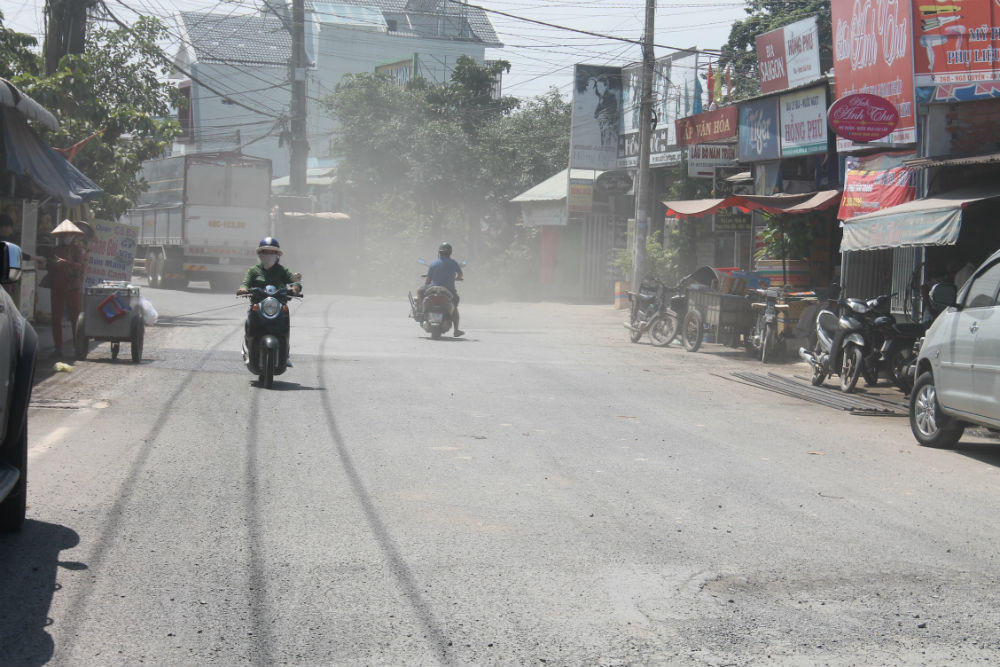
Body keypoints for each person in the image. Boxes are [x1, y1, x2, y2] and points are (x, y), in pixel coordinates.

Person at [46, 220, 88, 357]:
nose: (65, 237)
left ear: (73, 235)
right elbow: (49, 265)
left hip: (72, 287)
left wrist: (65, 263)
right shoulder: (55, 250)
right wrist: (50, 263)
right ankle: (58, 348)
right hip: (57, 286)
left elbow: (80, 267)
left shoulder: (78, 250)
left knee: (75, 318)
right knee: (56, 318)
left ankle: (77, 347)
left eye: (67, 234)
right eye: (63, 235)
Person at [236, 237, 302, 296]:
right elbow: (245, 283)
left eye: (272, 253)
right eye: (265, 252)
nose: (269, 255)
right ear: (260, 254)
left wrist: (295, 288)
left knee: (285, 310)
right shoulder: (253, 270)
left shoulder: (282, 270)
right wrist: (243, 289)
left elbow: (294, 282)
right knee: (251, 310)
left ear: (277, 255)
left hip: (279, 305)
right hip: (258, 305)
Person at [424, 241, 464, 337]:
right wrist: (455, 279)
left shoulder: (434, 263)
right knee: (454, 307)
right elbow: (460, 275)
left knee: (421, 293)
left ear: (439, 252)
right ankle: (456, 330)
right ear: (450, 252)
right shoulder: (453, 263)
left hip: (433, 289)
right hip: (448, 291)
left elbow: (428, 280)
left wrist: (427, 285)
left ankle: (421, 313)